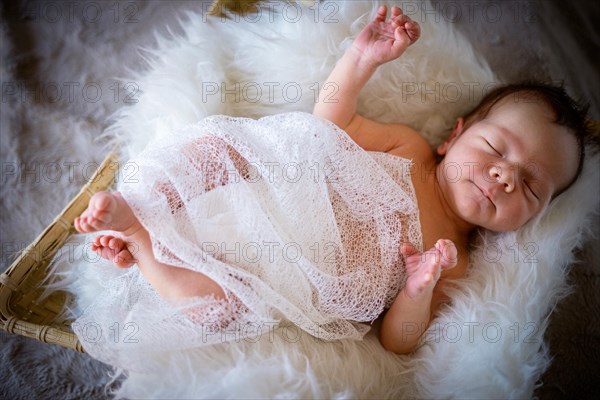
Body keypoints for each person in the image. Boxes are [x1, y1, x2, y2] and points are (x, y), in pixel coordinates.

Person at [74, 5, 587, 354]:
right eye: (497, 149)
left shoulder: (451, 262)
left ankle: (141, 242)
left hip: (272, 275)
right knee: (218, 148)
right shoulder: (408, 148)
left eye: (530, 187)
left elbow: (398, 342)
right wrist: (360, 60)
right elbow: (329, 124)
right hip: (270, 191)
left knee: (218, 311)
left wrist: (417, 288)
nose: (502, 176)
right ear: (454, 137)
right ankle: (146, 205)